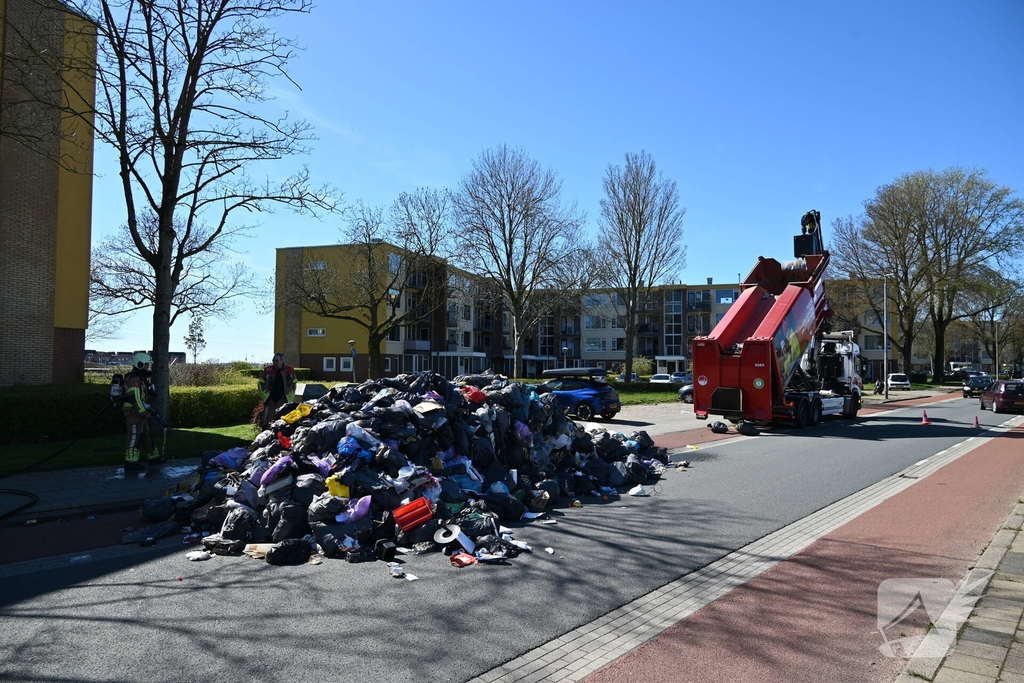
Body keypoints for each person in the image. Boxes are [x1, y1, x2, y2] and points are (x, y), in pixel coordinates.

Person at [123, 352, 164, 471]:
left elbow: (140, 397)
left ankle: (153, 458)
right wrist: (144, 413)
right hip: (132, 412)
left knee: (147, 435)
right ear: (140, 364)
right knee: (134, 436)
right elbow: (135, 398)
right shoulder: (133, 378)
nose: (148, 368)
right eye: (147, 365)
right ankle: (130, 463)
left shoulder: (140, 379)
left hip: (138, 412)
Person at [259, 352, 297, 429]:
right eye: (273, 360)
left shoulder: (290, 370)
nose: (274, 362)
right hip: (270, 400)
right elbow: (261, 383)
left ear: (282, 360)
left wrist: (291, 395)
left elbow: (294, 383)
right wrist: (264, 395)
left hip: (284, 400)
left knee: (283, 422)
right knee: (267, 422)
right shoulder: (267, 370)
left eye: (276, 360)